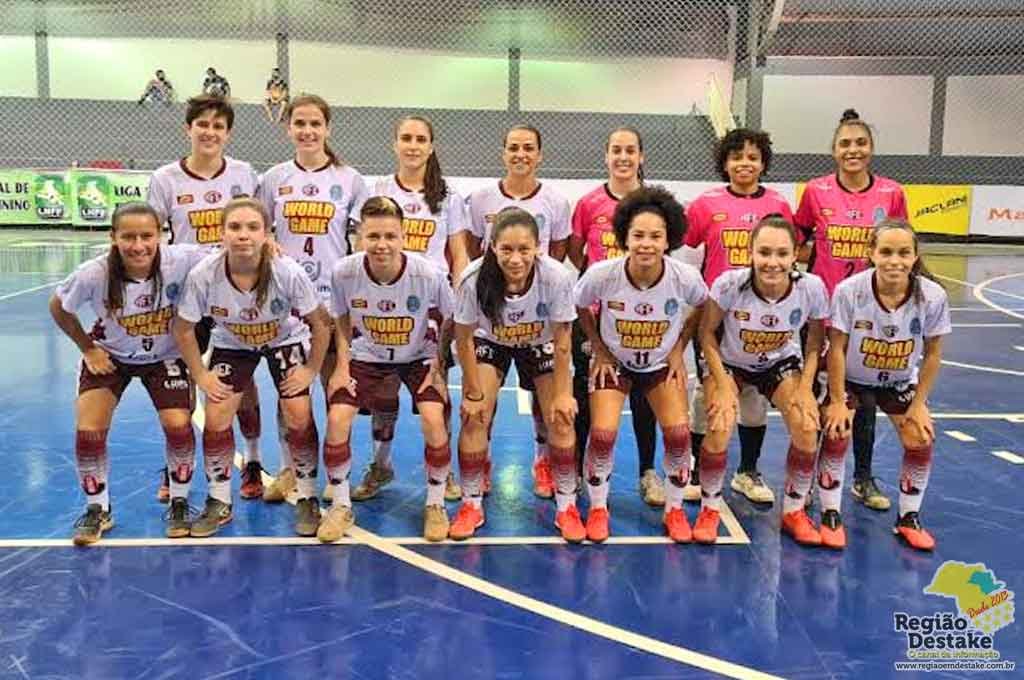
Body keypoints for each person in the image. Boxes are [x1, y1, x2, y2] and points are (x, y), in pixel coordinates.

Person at [49, 203, 206, 544]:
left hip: (165, 355)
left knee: (178, 425)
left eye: (147, 236)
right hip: (113, 355)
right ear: (113, 237)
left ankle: (179, 502)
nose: (138, 245)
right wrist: (88, 348)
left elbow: (229, 253)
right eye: (128, 236)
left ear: (161, 235)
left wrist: (268, 243)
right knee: (89, 428)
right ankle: (97, 509)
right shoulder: (95, 273)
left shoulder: (184, 259)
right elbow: (58, 306)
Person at [173, 198, 331, 538]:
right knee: (216, 415)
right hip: (232, 343)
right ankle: (218, 500)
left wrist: (311, 370)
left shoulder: (287, 272)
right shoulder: (205, 275)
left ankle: (306, 495)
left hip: (283, 339)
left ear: (267, 234)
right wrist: (200, 374)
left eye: (252, 228)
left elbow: (321, 324)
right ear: (221, 234)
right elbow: (183, 329)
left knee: (298, 411)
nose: (243, 235)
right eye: (235, 227)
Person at [146, 95, 265, 501]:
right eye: (203, 124)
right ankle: (175, 466)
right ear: (189, 129)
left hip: (238, 288)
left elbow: (261, 229)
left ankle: (252, 460)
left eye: (218, 126)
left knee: (241, 381)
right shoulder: (165, 179)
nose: (210, 132)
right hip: (187, 294)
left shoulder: (245, 174)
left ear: (227, 133)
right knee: (183, 383)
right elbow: (151, 235)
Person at [574, 186, 707, 543]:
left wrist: (679, 347)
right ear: (624, 238)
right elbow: (580, 305)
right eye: (638, 235)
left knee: (679, 435)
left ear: (669, 240)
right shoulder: (603, 274)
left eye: (655, 236)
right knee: (602, 435)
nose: (646, 243)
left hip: (660, 364)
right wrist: (599, 349)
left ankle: (675, 510)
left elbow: (701, 306)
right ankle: (599, 507)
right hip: (614, 363)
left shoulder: (684, 277)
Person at [796, 108, 910, 513]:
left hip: (872, 314)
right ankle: (807, 478)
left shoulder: (892, 193)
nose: (853, 150)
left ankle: (861, 477)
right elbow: (799, 237)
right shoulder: (815, 191)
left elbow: (901, 244)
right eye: (845, 143)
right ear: (833, 150)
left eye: (860, 142)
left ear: (872, 148)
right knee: (812, 392)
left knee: (862, 394)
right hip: (822, 311)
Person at [322, 197, 455, 542]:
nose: (382, 245)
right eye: (373, 236)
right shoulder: (344, 272)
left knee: (432, 416)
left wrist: (439, 365)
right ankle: (339, 504)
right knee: (337, 417)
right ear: (359, 237)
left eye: (390, 236)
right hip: (366, 354)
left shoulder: (428, 274)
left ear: (404, 236)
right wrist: (341, 363)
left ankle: (435, 503)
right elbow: (339, 318)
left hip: (418, 354)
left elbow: (450, 319)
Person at [259, 93, 370, 503]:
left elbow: (359, 242)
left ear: (327, 128)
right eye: (299, 123)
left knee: (334, 387)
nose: (307, 131)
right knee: (290, 390)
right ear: (288, 128)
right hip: (286, 302)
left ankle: (336, 471)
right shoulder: (273, 179)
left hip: (332, 301)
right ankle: (291, 466)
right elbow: (260, 231)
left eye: (315, 124)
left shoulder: (350, 180)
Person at [697, 215, 828, 545]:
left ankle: (794, 510)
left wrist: (806, 388)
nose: (773, 262)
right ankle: (709, 507)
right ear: (750, 253)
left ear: (795, 254)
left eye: (782, 254)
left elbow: (814, 342)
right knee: (721, 422)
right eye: (764, 253)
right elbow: (706, 333)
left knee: (807, 425)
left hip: (779, 362)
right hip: (730, 361)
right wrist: (723, 384)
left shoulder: (811, 287)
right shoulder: (729, 284)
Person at [451, 207, 578, 541]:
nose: (516, 258)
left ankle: (567, 506)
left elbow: (563, 339)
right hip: (490, 340)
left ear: (538, 247)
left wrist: (564, 393)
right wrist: (473, 393)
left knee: (562, 418)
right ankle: (471, 503)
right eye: (507, 249)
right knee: (474, 417)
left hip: (540, 341)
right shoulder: (473, 279)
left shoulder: (556, 278)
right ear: (492, 247)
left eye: (524, 249)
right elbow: (463, 338)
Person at [821, 219, 949, 551]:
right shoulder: (850, 290)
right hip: (851, 378)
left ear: (916, 255)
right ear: (871, 254)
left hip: (897, 380)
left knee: (920, 437)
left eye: (904, 253)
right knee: (837, 430)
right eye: (887, 252)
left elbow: (934, 353)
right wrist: (837, 399)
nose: (895, 260)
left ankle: (908, 518)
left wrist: (919, 404)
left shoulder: (932, 295)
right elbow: (835, 347)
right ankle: (830, 512)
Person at [683, 128, 795, 506]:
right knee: (708, 394)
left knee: (753, 399)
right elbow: (687, 250)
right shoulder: (704, 204)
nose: (744, 163)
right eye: (736, 157)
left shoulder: (779, 204)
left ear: (763, 162)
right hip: (718, 317)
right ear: (724, 163)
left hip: (764, 319)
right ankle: (698, 469)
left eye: (752, 157)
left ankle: (747, 471)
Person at [361, 114, 469, 503]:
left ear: (431, 146)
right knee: (385, 387)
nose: (412, 145)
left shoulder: (448, 196)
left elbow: (458, 252)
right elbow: (365, 245)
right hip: (386, 302)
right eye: (405, 137)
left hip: (431, 306)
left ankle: (444, 469)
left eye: (420, 138)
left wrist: (456, 304)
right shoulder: (380, 189)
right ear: (395, 144)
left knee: (437, 389)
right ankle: (381, 463)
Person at [461, 124, 573, 499]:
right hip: (493, 319)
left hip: (537, 321)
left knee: (548, 405)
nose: (521, 154)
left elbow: (555, 254)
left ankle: (543, 459)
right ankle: (483, 464)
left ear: (540, 154)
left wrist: (532, 297)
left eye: (529, 148)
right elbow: (473, 250)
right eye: (513, 147)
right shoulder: (479, 199)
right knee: (480, 404)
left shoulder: (556, 202)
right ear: (503, 152)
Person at [567, 127, 663, 506]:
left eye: (630, 151)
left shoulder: (654, 205)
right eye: (616, 150)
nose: (623, 157)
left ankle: (647, 472)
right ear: (606, 156)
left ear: (641, 157)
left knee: (645, 396)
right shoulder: (589, 203)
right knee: (587, 393)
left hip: (644, 317)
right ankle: (575, 467)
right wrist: (603, 286)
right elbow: (577, 254)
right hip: (596, 317)